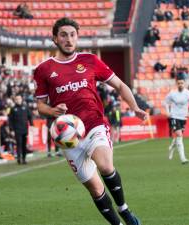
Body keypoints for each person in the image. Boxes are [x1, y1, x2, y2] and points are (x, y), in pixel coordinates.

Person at [33, 18, 146, 225]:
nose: (69, 39)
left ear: (78, 36)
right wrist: (53, 110)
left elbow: (120, 85)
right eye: (64, 35)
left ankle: (124, 209)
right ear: (55, 38)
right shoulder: (44, 69)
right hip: (69, 137)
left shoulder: (90, 61)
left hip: (94, 125)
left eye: (72, 34)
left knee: (104, 165)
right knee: (94, 188)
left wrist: (135, 107)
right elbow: (40, 105)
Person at [164, 74, 189, 164]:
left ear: (184, 83)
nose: (180, 85)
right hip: (174, 116)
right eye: (178, 83)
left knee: (179, 136)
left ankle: (171, 148)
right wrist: (167, 112)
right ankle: (183, 158)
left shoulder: (188, 94)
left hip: (183, 117)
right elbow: (165, 102)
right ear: (176, 84)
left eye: (182, 83)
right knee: (179, 135)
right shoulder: (172, 93)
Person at [8, 95, 33, 164]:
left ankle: (24, 159)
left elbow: (30, 117)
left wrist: (31, 125)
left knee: (24, 144)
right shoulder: (13, 109)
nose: (18, 100)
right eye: (17, 99)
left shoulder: (25, 107)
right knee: (19, 144)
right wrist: (11, 130)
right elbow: (10, 120)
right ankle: (19, 158)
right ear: (15, 100)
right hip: (17, 129)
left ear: (22, 99)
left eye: (19, 99)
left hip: (25, 129)